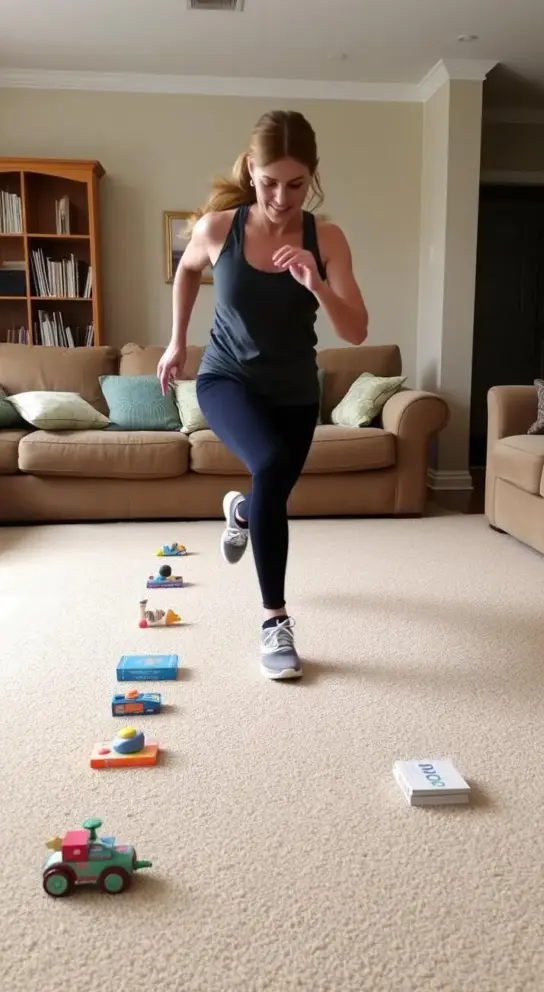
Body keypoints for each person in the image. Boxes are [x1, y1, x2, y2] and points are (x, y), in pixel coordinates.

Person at [157, 109, 368, 681]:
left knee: (270, 490)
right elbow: (186, 272)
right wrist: (178, 342)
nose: (281, 196)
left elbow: (356, 331)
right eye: (269, 181)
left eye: (296, 184)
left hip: (297, 391)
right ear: (251, 170)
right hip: (226, 380)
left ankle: (241, 509)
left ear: (313, 178)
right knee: (271, 465)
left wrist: (317, 283)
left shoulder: (325, 238)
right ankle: (274, 620)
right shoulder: (218, 228)